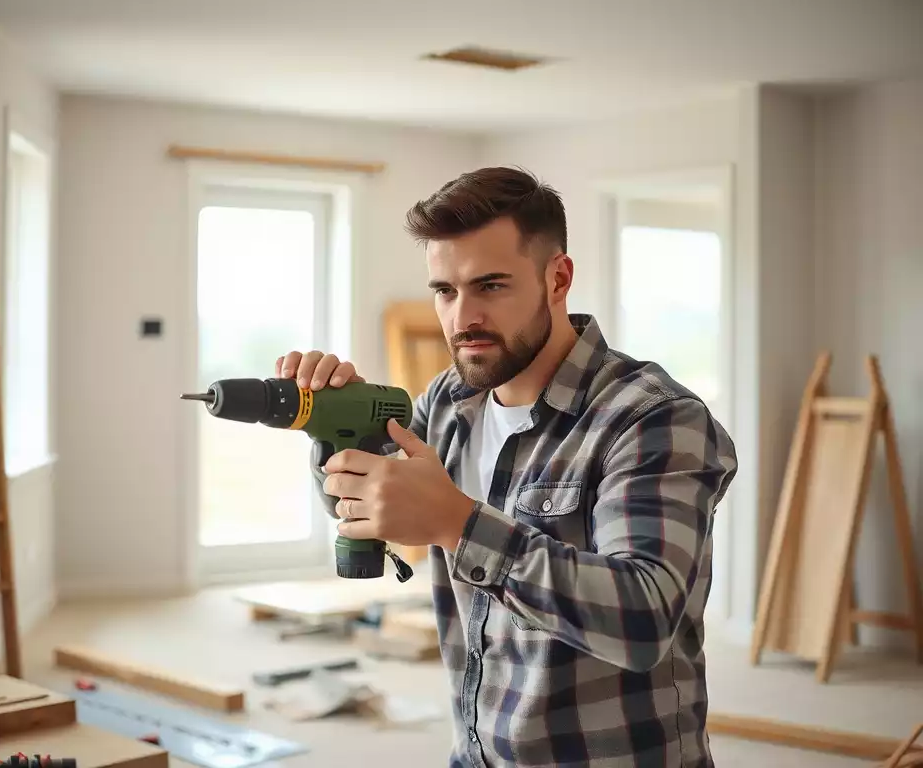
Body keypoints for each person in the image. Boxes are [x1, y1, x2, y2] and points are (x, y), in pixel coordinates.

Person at [275, 166, 738, 768]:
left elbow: (643, 618)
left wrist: (459, 525)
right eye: (444, 290)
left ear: (558, 278)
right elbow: (372, 508)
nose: (462, 317)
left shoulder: (650, 418)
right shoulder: (448, 400)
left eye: (490, 286)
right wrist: (338, 434)